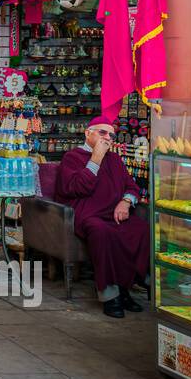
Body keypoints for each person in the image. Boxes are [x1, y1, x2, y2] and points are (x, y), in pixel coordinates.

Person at [53, 119, 149, 318]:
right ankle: (110, 295)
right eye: (102, 133)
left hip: (114, 212)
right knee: (102, 233)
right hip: (88, 215)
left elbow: (131, 186)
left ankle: (126, 288)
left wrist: (126, 201)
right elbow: (78, 187)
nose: (107, 138)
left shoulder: (114, 159)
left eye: (111, 135)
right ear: (88, 134)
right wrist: (96, 157)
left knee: (141, 229)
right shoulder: (72, 157)